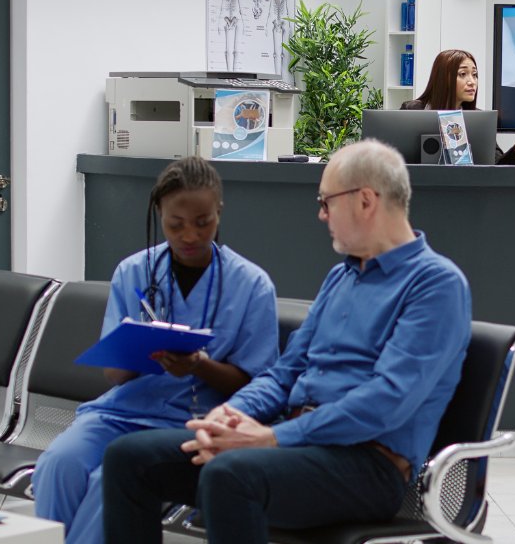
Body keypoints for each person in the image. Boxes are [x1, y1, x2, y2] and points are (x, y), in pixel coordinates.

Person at [102, 140, 473, 544]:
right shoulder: (341, 277)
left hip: (367, 464)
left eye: (326, 201)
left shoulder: (436, 284)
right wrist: (228, 416)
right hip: (294, 444)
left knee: (230, 475)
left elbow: (386, 401)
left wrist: (272, 438)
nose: (321, 214)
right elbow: (284, 373)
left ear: (365, 201)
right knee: (129, 459)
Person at [33, 157, 279, 544]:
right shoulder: (133, 272)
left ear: (219, 211)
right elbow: (113, 376)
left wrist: (199, 366)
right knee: (57, 465)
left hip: (191, 420)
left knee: (104, 483)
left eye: (203, 222)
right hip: (122, 411)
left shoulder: (251, 285)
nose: (190, 236)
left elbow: (258, 382)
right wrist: (139, 349)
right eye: (175, 224)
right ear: (158, 214)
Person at [402, 49, 515, 165]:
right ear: (444, 79)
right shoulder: (412, 110)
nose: (472, 82)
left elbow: (496, 167)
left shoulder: (479, 119)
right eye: (463, 74)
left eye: (474, 75)